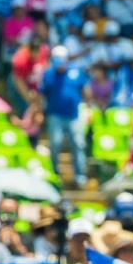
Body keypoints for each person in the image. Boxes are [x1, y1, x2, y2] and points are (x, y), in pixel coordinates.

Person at [42, 45, 91, 185]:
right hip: (55, 115)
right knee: (55, 143)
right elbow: (43, 94)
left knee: (78, 144)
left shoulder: (77, 72)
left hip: (74, 115)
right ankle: (54, 173)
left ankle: (80, 175)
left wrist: (88, 108)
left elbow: (85, 91)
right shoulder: (48, 74)